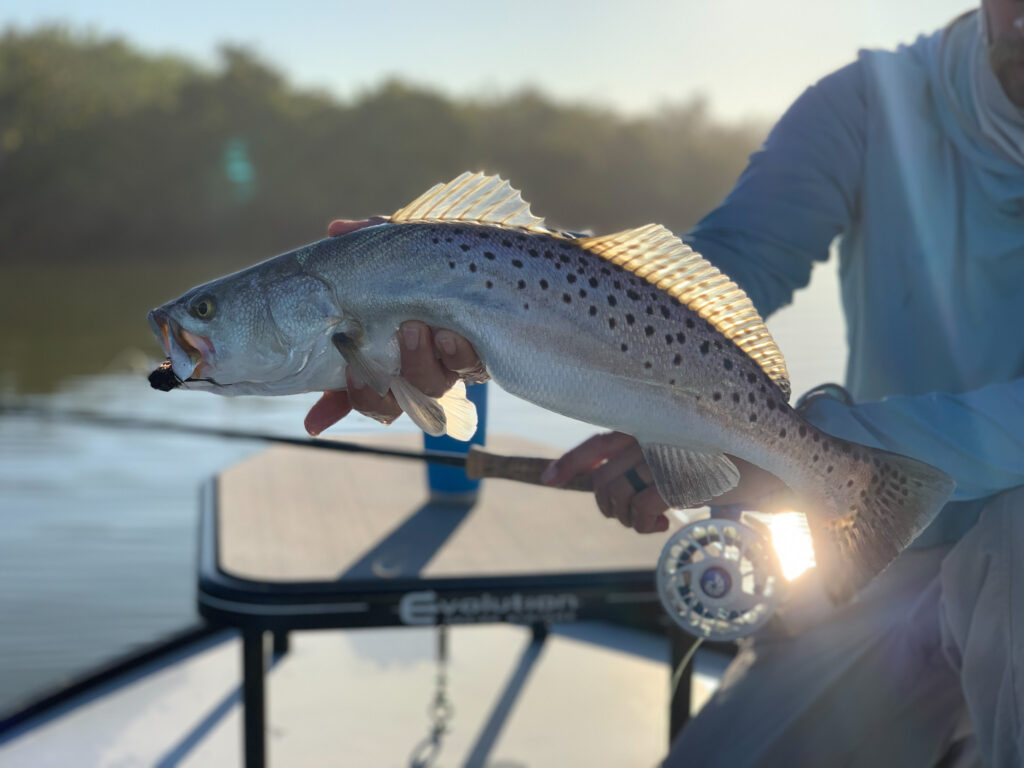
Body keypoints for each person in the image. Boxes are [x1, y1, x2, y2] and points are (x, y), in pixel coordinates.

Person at [305, 2, 1024, 765]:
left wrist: (806, 455)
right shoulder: (871, 102)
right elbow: (732, 264)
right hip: (875, 554)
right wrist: (459, 277)